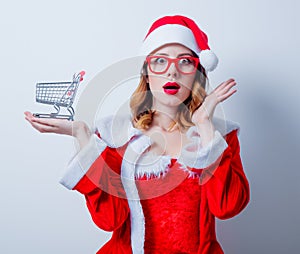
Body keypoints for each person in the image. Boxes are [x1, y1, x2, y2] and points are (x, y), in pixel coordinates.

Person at [25, 15, 250, 254]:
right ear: (146, 72)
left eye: (184, 61)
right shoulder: (117, 136)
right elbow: (109, 220)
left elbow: (227, 207)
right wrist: (83, 136)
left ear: (197, 72)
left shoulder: (219, 137)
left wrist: (204, 126)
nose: (172, 72)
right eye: (160, 61)